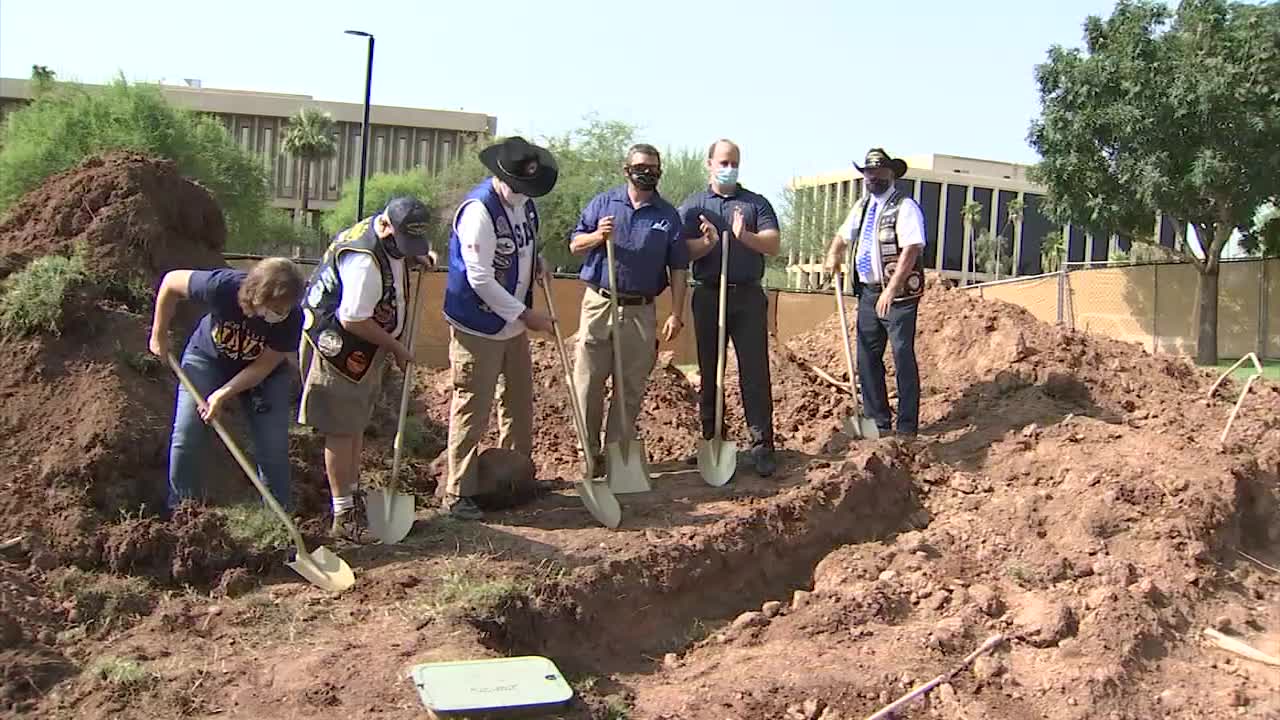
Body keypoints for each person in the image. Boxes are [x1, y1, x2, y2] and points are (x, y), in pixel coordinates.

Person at [297, 197, 434, 542]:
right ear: (386, 226)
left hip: (361, 347)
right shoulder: (363, 261)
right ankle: (344, 514)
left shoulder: (385, 238)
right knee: (342, 428)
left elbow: (393, 263)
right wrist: (397, 347)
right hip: (339, 346)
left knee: (355, 423)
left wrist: (415, 256)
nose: (403, 251)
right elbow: (354, 318)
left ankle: (353, 497)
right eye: (402, 245)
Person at [441, 136, 559, 521]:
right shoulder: (479, 212)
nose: (525, 194)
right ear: (502, 177)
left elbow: (524, 248)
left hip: (511, 324)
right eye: (520, 187)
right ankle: (458, 491)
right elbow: (479, 277)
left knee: (518, 403)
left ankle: (517, 477)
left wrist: (538, 262)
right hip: (478, 324)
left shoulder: (524, 206)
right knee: (472, 406)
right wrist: (526, 315)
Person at [149, 258, 306, 513]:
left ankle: (278, 518)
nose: (281, 314)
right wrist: (158, 334)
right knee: (187, 433)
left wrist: (223, 393)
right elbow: (170, 282)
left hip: (264, 377)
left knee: (272, 446)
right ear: (258, 295)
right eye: (276, 308)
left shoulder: (293, 318)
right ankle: (182, 511)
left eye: (286, 309)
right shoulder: (222, 286)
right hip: (206, 359)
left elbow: (262, 367)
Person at [570, 143, 689, 469]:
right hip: (599, 304)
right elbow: (575, 243)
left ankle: (615, 458)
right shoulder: (604, 204)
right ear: (627, 170)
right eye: (641, 167)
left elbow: (679, 268)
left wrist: (677, 313)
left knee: (630, 388)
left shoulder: (668, 216)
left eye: (653, 168)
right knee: (588, 384)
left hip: (641, 310)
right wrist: (598, 235)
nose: (647, 173)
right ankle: (588, 456)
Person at [678, 139, 781, 477]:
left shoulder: (755, 204)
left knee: (754, 372)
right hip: (708, 294)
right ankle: (711, 437)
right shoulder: (694, 206)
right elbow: (679, 253)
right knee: (710, 371)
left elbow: (773, 244)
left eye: (733, 162)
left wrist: (744, 236)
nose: (728, 168)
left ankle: (762, 445)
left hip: (748, 296)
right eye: (722, 162)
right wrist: (706, 243)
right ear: (709, 163)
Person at [823, 148, 926, 437]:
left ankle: (907, 427)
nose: (872, 177)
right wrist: (834, 255)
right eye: (868, 172)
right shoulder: (863, 206)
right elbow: (844, 236)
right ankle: (877, 421)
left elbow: (912, 249)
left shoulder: (905, 207)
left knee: (902, 354)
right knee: (866, 357)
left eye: (878, 172)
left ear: (891, 174)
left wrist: (891, 289)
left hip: (899, 296)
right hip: (867, 293)